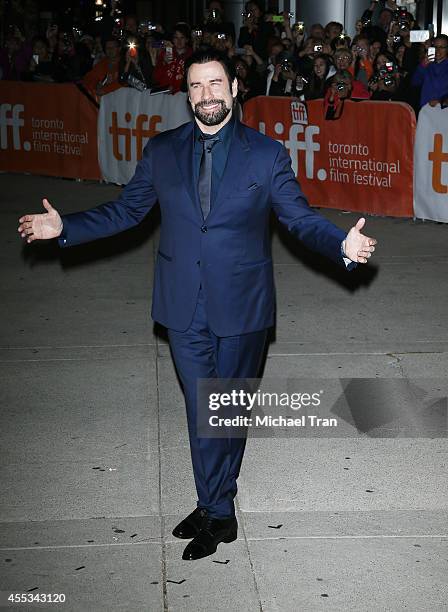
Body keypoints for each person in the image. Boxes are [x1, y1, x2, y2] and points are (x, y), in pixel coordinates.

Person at [17, 48, 377, 562]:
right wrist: (65, 227)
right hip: (182, 302)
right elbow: (128, 210)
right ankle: (216, 505)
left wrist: (340, 245)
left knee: (224, 413)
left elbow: (298, 220)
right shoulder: (162, 151)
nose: (206, 94)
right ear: (187, 96)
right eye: (196, 86)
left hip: (243, 308)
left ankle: (217, 508)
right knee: (202, 409)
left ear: (234, 89)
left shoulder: (266, 154)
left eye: (215, 83)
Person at [412, 35, 448, 108]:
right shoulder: (426, 64)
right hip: (426, 110)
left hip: (444, 111)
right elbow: (415, 82)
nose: (438, 50)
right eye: (435, 47)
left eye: (441, 47)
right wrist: (422, 66)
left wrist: (441, 102)